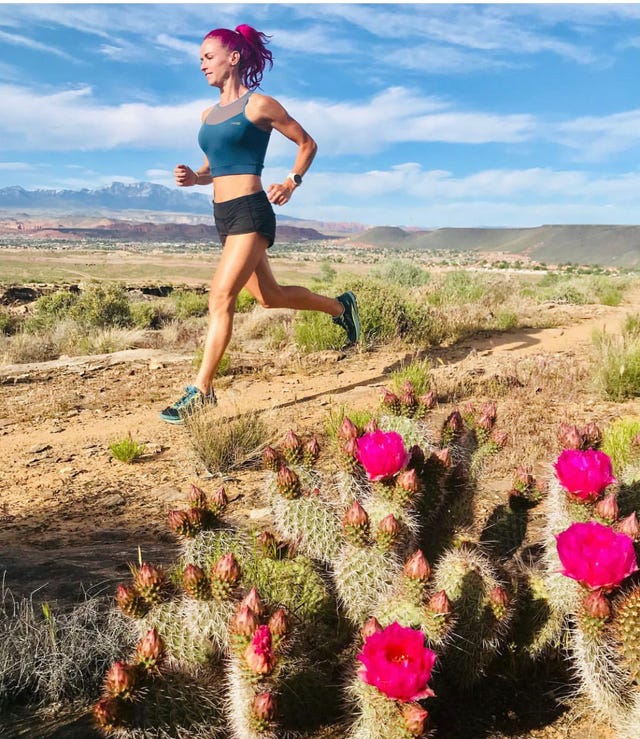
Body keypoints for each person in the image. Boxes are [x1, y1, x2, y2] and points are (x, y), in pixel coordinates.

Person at [160, 23, 360, 424]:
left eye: (208, 57)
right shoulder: (207, 115)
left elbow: (307, 143)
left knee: (220, 298)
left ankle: (201, 391)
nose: (202, 65)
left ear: (233, 58)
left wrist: (292, 181)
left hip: (252, 211)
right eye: (200, 59)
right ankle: (341, 307)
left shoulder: (259, 105)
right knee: (269, 296)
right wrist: (193, 178)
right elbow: (212, 170)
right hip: (223, 214)